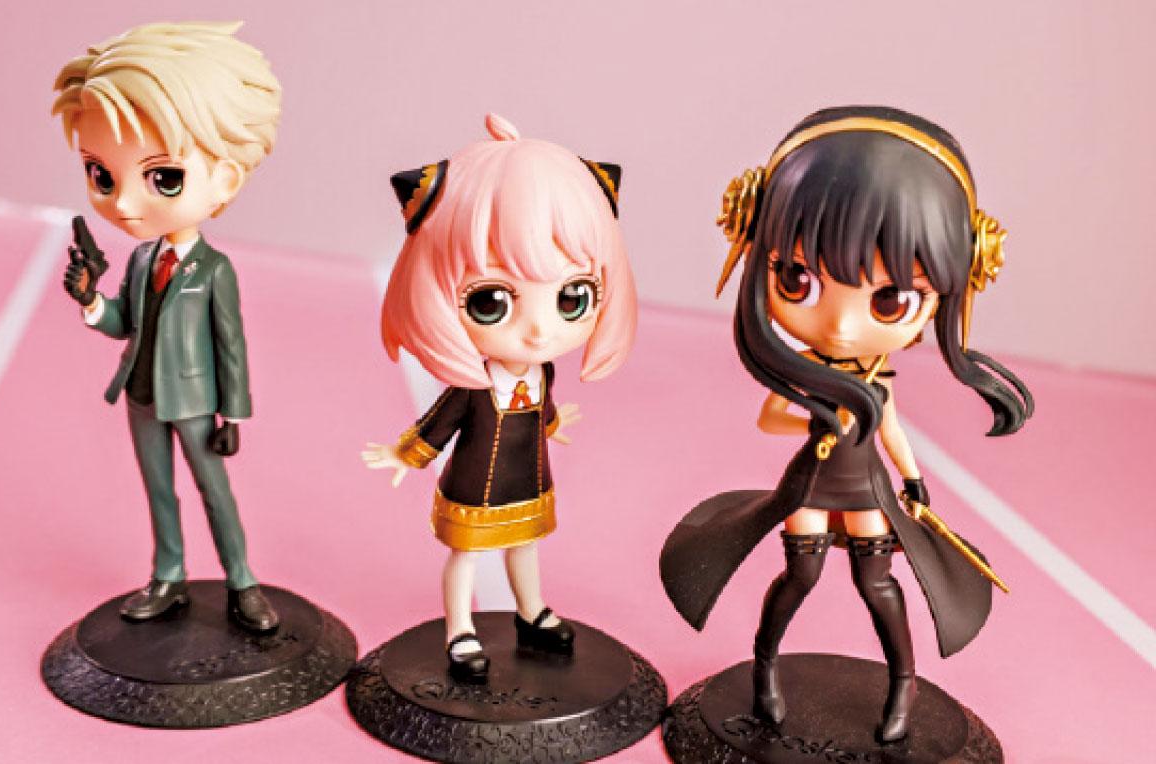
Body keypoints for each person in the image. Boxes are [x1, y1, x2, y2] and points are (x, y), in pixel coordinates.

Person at [660, 105, 1033, 742]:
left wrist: (913, 481)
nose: (838, 325)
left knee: (876, 582)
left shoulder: (878, 379)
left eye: (890, 299)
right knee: (800, 575)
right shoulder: (807, 375)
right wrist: (816, 415)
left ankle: (902, 685)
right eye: (797, 278)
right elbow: (771, 418)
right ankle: (766, 668)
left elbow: (892, 431)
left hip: (866, 490)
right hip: (810, 484)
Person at [363, 114, 638, 682]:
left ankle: (531, 612)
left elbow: (543, 407)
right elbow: (440, 423)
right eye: (491, 302)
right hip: (475, 487)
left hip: (528, 480)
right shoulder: (473, 386)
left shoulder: (543, 374)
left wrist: (553, 423)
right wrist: (404, 455)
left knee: (526, 546)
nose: (538, 332)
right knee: (465, 556)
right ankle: (460, 630)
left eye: (572, 298)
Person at [54, 21, 282, 633]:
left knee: (214, 490)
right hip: (141, 397)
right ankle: (169, 575)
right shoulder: (138, 258)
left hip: (196, 402)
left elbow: (231, 346)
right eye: (103, 176)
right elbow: (125, 321)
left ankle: (242, 582)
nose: (124, 203)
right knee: (158, 491)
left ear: (224, 179)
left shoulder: (215, 269)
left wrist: (233, 415)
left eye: (164, 178)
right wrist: (91, 302)